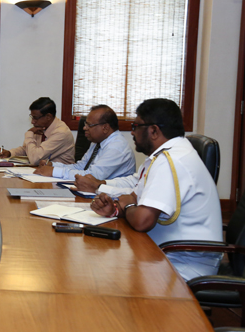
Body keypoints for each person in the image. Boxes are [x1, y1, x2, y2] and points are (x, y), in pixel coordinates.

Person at [89, 99, 222, 281]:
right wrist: (115, 209)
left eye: (136, 125)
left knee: (101, 273)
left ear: (153, 130)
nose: (132, 132)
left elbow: (143, 221)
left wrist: (126, 208)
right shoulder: (163, 156)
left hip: (183, 263)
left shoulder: (171, 161)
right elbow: (134, 196)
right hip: (164, 251)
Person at [34, 105, 135, 180]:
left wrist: (54, 171)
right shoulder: (98, 143)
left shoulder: (116, 148)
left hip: (112, 199)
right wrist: (53, 165)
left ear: (105, 128)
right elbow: (81, 167)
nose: (84, 128)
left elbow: (91, 176)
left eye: (89, 125)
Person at [0, 97, 74, 164]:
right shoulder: (42, 127)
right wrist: (10, 153)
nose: (32, 122)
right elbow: (29, 150)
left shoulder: (61, 133)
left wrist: (29, 133)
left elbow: (35, 158)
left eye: (35, 118)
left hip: (61, 177)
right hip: (44, 173)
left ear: (48, 117)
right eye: (32, 117)